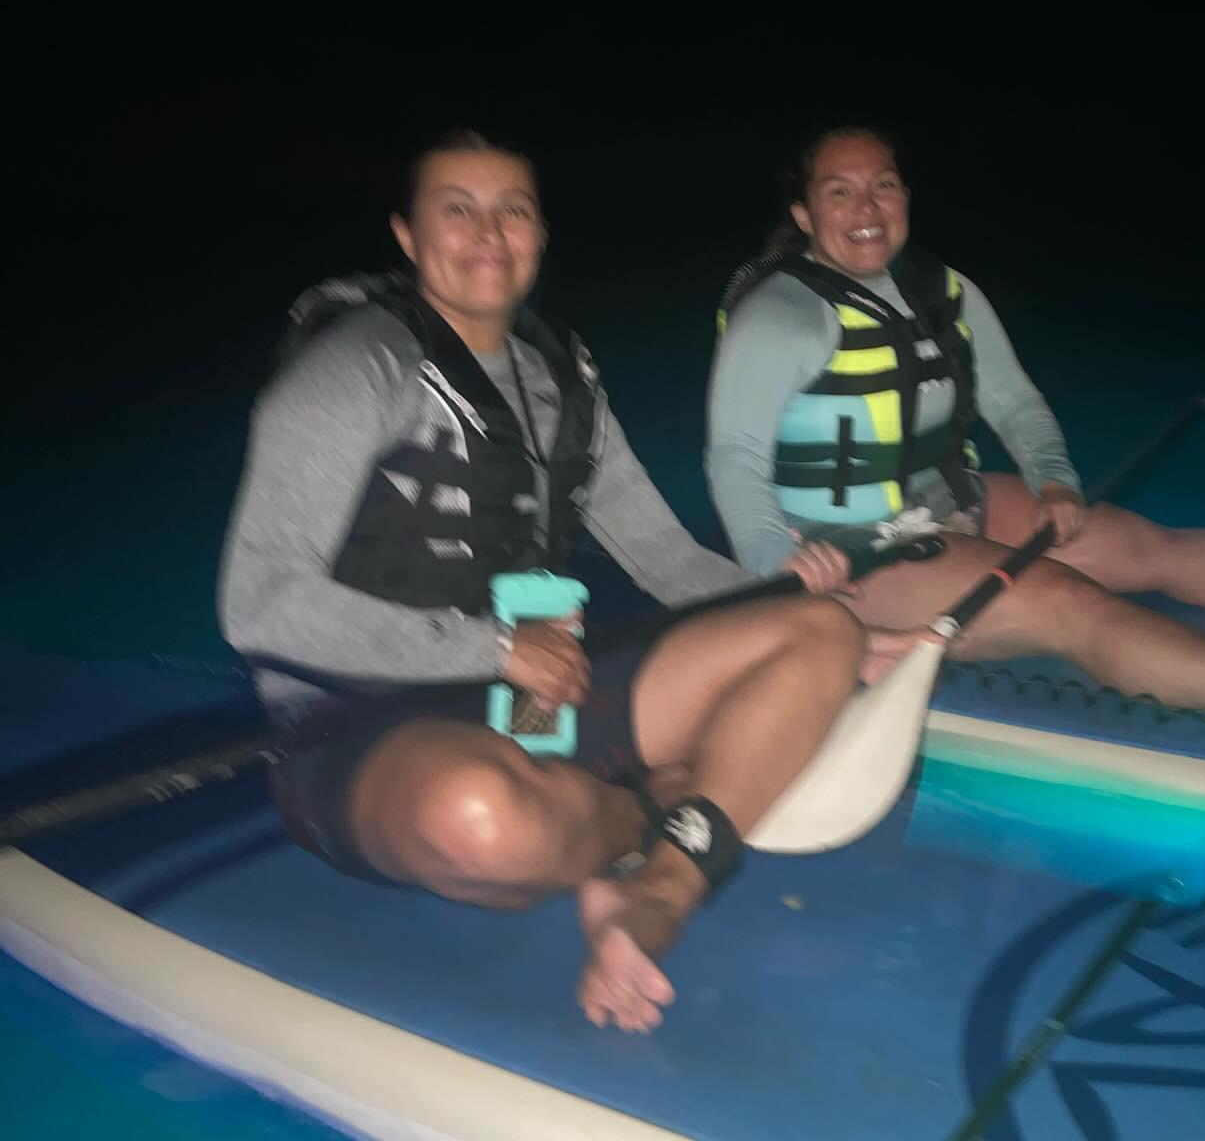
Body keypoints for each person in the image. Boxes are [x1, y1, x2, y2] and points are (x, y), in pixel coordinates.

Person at [219, 129, 871, 1035]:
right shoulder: (350, 372)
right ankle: (655, 806)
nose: (490, 233)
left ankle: (660, 892)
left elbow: (668, 559)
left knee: (824, 636)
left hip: (539, 702)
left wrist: (809, 604)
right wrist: (490, 647)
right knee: (481, 819)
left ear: (540, 232)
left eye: (512, 209)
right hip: (361, 727)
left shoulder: (560, 376)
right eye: (459, 208)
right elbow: (259, 604)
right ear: (408, 237)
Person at [705, 125, 1205, 731]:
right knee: (1068, 602)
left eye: (883, 184)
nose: (867, 206)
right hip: (850, 559)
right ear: (804, 214)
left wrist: (1051, 475)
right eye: (840, 191)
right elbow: (732, 456)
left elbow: (1016, 402)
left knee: (1147, 546)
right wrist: (781, 562)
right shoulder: (782, 314)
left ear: (904, 195)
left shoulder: (939, 289)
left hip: (940, 505)